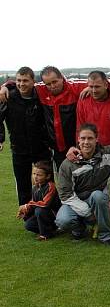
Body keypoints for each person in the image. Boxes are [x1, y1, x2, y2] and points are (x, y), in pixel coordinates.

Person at [0, 66, 110, 167]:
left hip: (77, 145)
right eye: (48, 84)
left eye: (54, 82)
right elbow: (21, 84)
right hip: (57, 148)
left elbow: (105, 79)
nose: (52, 86)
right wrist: (6, 85)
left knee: (83, 180)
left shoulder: (75, 86)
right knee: (63, 181)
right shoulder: (41, 89)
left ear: (61, 78)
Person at [55, 123, 110, 245]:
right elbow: (65, 195)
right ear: (78, 140)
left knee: (98, 195)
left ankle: (106, 235)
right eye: (83, 138)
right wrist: (87, 214)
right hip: (75, 201)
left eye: (90, 138)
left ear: (97, 139)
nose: (86, 142)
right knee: (62, 221)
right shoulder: (67, 164)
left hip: (99, 199)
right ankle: (79, 228)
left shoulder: (108, 153)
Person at [0, 67, 52, 205]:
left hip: (41, 148)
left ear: (33, 81)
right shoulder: (9, 96)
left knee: (46, 182)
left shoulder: (40, 95)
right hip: (19, 149)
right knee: (23, 184)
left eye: (25, 81)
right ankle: (27, 216)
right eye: (18, 80)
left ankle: (48, 213)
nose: (21, 84)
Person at [17, 160, 60, 240]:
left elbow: (45, 204)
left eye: (39, 175)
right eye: (34, 174)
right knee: (28, 225)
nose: (35, 177)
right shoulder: (35, 187)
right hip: (44, 215)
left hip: (54, 215)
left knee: (39, 210)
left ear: (47, 176)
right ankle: (51, 230)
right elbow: (34, 201)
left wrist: (27, 205)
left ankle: (46, 234)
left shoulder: (51, 186)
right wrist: (26, 209)